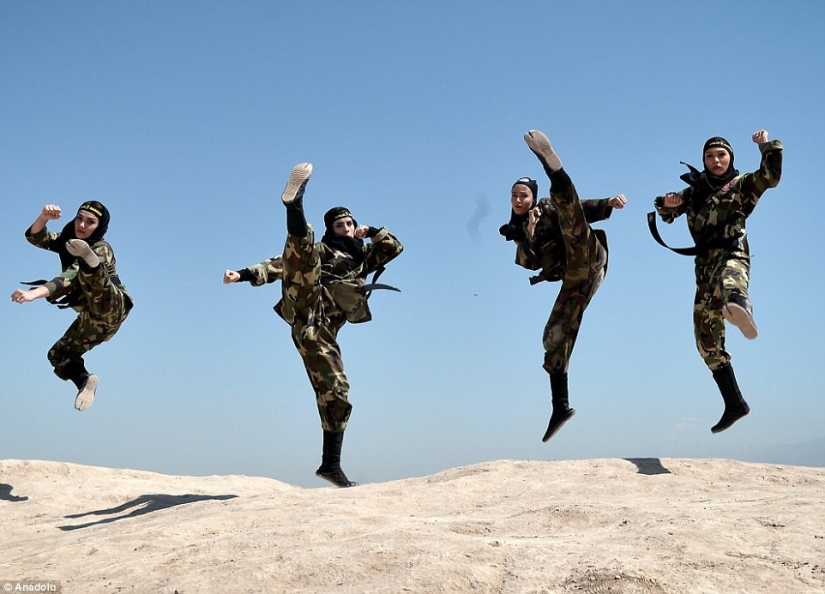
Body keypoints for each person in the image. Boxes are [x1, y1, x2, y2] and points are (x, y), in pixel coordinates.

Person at [224, 163, 403, 487]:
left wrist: (372, 231)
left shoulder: (362, 257)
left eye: (350, 223)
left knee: (338, 393)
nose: (347, 228)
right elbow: (277, 265)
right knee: (303, 253)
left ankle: (330, 466)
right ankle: (295, 207)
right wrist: (243, 274)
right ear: (330, 230)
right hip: (305, 307)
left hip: (323, 333)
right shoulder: (323, 249)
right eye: (340, 225)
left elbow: (394, 247)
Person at [650, 130, 782, 433]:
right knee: (705, 338)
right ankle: (735, 403)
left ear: (730, 158)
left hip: (732, 252)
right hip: (703, 267)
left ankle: (739, 307)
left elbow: (771, 176)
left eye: (721, 155)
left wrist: (765, 146)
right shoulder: (695, 191)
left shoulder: (742, 184)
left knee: (731, 282)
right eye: (710, 156)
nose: (716, 160)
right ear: (704, 161)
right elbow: (666, 211)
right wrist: (667, 203)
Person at [500, 130, 627, 442]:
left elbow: (576, 209)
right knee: (553, 336)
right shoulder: (515, 232)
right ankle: (561, 407)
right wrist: (527, 236)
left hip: (588, 253)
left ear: (532, 196)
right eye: (514, 196)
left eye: (522, 195)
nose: (518, 200)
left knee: (568, 217)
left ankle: (553, 168)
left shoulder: (544, 207)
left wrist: (607, 203)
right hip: (575, 278)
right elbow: (531, 265)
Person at [11, 202, 133, 411]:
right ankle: (85, 382)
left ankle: (90, 264)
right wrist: (43, 218)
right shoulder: (69, 240)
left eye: (90, 222)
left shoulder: (102, 247)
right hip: (93, 321)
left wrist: (34, 294)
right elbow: (37, 238)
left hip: (112, 305)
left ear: (100, 226)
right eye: (79, 218)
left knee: (88, 276)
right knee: (58, 355)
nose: (82, 225)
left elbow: (68, 278)